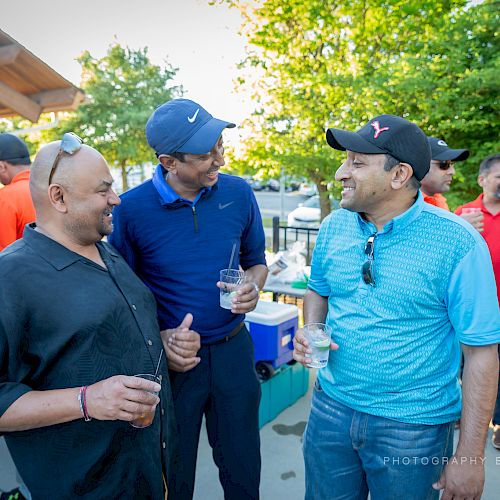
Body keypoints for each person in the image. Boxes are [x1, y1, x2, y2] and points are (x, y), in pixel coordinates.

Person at [293, 115, 500, 500]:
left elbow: (482, 354)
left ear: (399, 174)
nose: (340, 173)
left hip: (413, 428)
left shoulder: (458, 243)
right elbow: (317, 291)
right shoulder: (334, 226)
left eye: (356, 162)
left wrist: (470, 457)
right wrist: (311, 328)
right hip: (329, 411)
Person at [0, 134, 180, 499]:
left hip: (148, 472)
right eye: (104, 190)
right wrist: (87, 400)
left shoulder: (106, 250)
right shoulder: (11, 278)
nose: (116, 199)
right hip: (84, 486)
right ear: (58, 197)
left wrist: (164, 343)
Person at [109, 98, 268, 500]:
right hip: (172, 364)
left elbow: (257, 262)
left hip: (234, 351)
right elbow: (120, 296)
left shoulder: (238, 192)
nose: (218, 158)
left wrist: (252, 287)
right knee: (173, 475)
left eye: (219, 145)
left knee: (243, 468)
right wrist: (160, 337)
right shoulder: (129, 210)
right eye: (204, 154)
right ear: (169, 161)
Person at [455, 153, 500, 450]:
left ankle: (498, 424)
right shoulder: (463, 213)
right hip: (469, 311)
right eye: (499, 177)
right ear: (482, 180)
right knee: (464, 367)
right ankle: (465, 414)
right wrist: (461, 225)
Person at [0, 133, 36, 250]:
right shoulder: (53, 186)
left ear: (1, 167)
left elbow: (3, 253)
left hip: (23, 267)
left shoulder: (5, 197)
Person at [420, 136, 469, 210]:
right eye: (444, 164)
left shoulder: (439, 201)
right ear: (420, 166)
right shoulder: (405, 205)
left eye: (452, 164)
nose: (452, 172)